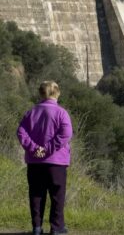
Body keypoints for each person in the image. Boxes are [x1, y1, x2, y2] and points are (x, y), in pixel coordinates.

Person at [17, 81, 72, 235]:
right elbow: (65, 134)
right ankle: (57, 228)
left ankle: (37, 227)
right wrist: (47, 149)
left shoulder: (31, 112)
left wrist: (35, 149)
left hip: (35, 162)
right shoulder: (62, 113)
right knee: (57, 195)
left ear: (40, 94)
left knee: (36, 195)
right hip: (57, 162)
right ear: (58, 93)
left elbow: (21, 132)